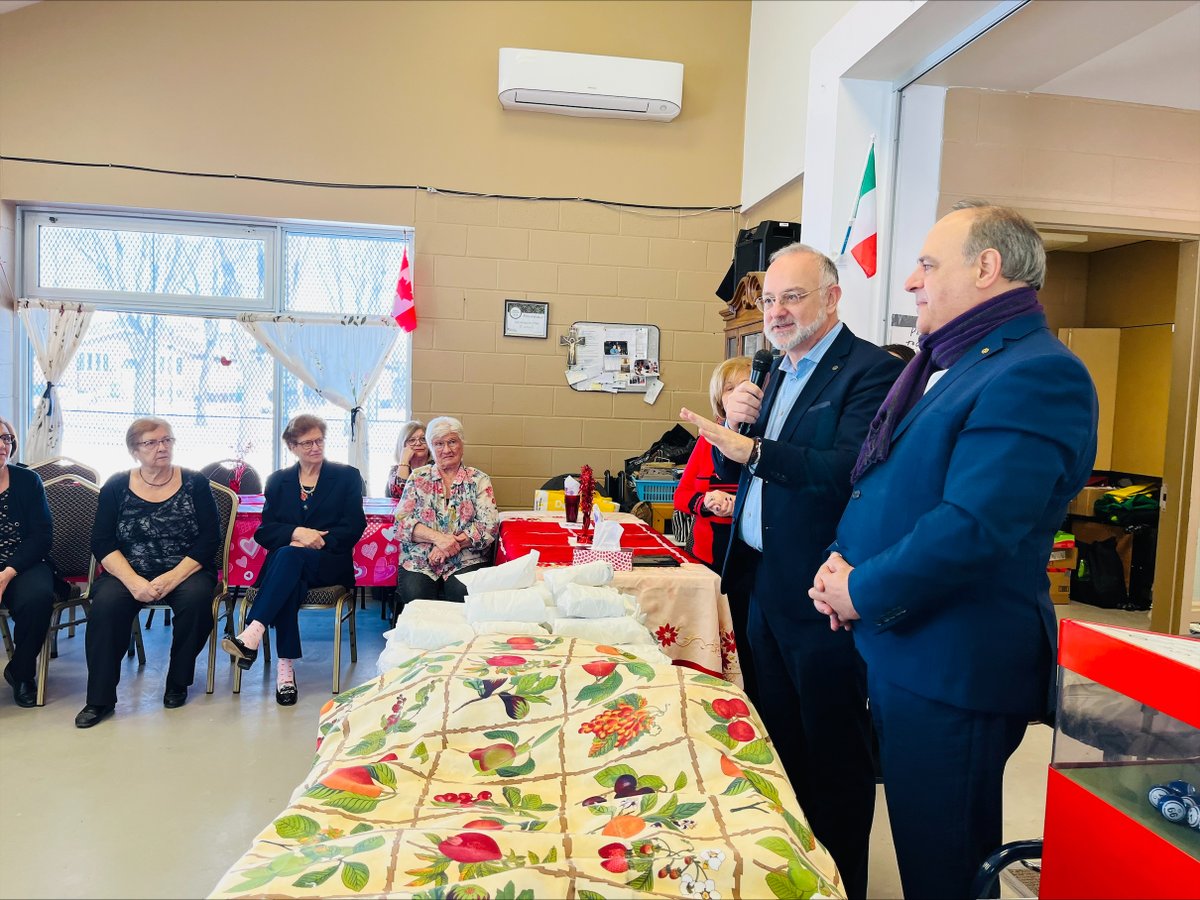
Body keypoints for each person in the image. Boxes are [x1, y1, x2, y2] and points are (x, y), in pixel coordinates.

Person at [810, 202, 1098, 899]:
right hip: (911, 646)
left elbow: (974, 527)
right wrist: (841, 568)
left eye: (928, 265)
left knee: (943, 864)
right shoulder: (963, 363)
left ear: (987, 268)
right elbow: (894, 489)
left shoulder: (1036, 374)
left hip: (955, 663)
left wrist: (861, 589)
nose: (912, 281)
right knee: (920, 847)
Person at [680, 243, 903, 900]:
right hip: (761, 587)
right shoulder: (774, 369)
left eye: (792, 297)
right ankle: (790, 876)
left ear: (832, 298)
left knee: (833, 757)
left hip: (822, 595)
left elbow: (844, 471)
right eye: (770, 300)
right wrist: (732, 430)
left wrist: (752, 447)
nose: (776, 312)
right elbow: (737, 474)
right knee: (775, 750)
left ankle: (843, 885)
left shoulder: (869, 372)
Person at [76, 418, 220, 727]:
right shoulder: (116, 486)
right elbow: (101, 542)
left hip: (186, 569)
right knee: (106, 605)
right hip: (128, 570)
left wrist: (171, 578)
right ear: (134, 451)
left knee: (197, 600)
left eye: (167, 440)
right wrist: (133, 581)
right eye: (151, 443)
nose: (162, 447)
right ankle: (99, 699)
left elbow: (209, 540)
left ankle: (177, 682)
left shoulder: (196, 483)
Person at [222, 414, 366, 705]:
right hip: (290, 567)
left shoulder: (347, 477)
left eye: (319, 440)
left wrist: (318, 539)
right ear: (292, 446)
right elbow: (265, 532)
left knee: (286, 561)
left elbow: (354, 527)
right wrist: (297, 532)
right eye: (307, 442)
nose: (315, 447)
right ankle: (284, 669)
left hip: (328, 563)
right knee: (289, 573)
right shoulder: (278, 481)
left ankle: (254, 633)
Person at [673, 357, 757, 700]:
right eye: (730, 388)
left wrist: (740, 506)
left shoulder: (768, 441)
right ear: (720, 399)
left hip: (752, 559)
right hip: (710, 555)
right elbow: (682, 496)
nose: (739, 395)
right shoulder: (709, 439)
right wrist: (707, 501)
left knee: (747, 637)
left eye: (747, 387)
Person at [393, 416, 498, 614]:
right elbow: (401, 523)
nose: (447, 450)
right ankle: (423, 643)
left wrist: (447, 547)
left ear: (462, 444)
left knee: (462, 593)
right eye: (439, 444)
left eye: (452, 442)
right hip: (420, 558)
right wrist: (439, 539)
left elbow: (489, 526)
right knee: (416, 595)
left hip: (467, 557)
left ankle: (457, 643)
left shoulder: (479, 479)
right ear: (431, 448)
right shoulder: (417, 478)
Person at [0, 418, 55, 708]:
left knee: (38, 598)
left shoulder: (27, 481)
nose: (1, 445)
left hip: (23, 563)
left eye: (6, 439)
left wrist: (7, 573)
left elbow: (42, 536)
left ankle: (22, 673)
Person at [384, 420, 430, 500]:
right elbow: (401, 497)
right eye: (412, 440)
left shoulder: (435, 469)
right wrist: (404, 460)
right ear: (403, 445)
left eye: (423, 439)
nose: (418, 443)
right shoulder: (395, 471)